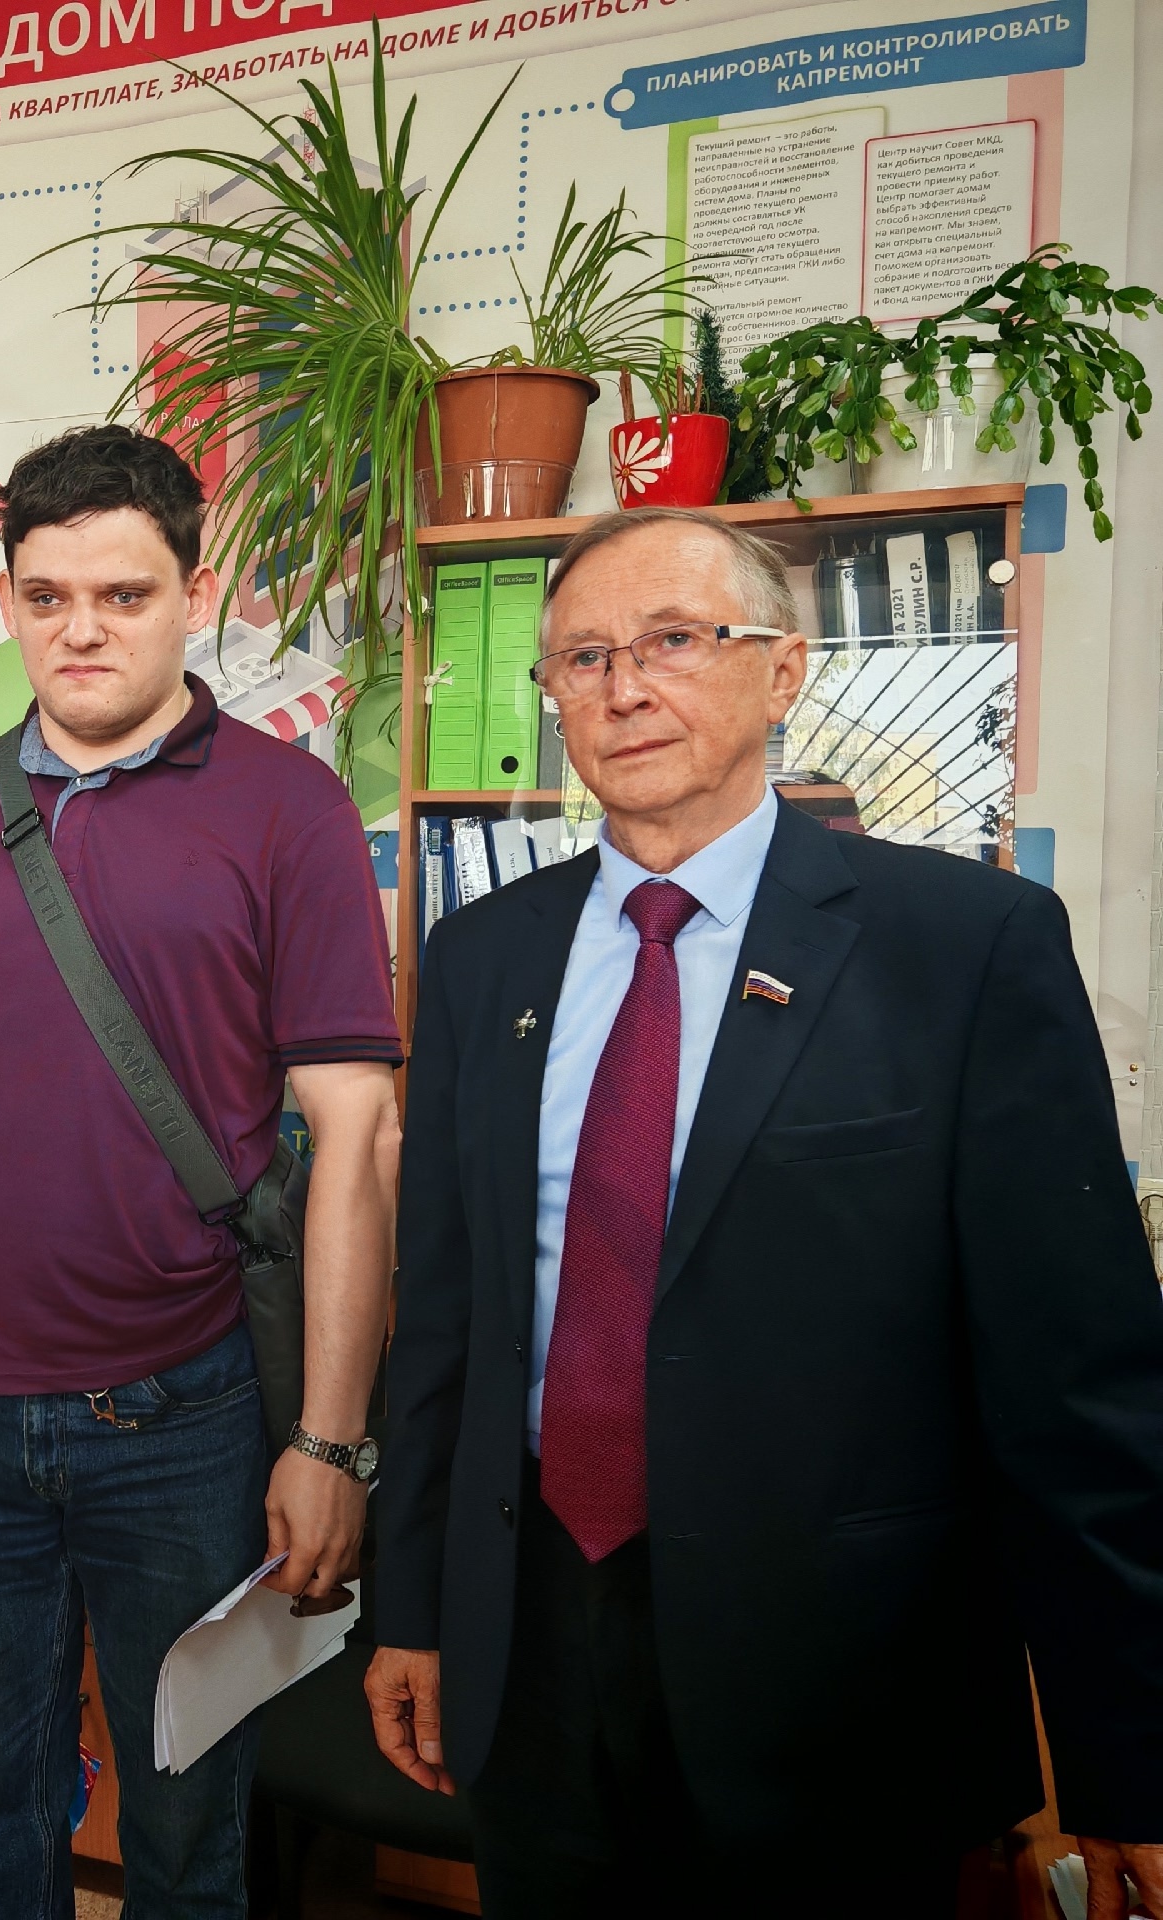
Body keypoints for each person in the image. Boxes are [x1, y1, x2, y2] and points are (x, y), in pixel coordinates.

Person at [368, 507, 1163, 1919]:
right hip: (535, 1640)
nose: (625, 687)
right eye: (584, 657)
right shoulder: (484, 956)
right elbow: (442, 1318)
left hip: (839, 1677)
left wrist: (1133, 1759)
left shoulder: (963, 947)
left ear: (784, 669)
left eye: (674, 640)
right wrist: (415, 1609)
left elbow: (1078, 1380)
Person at [0, 424, 402, 1918]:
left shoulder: (288, 805)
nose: (82, 630)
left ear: (193, 592)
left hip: (180, 1406)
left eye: (123, 595)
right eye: (47, 597)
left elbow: (357, 1135)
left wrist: (331, 1442)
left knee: (185, 1829)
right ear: (8, 600)